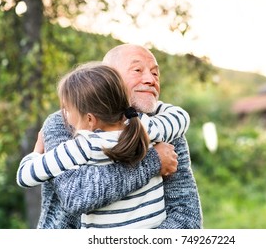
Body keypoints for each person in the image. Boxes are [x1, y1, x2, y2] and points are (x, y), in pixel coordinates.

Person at [37, 44, 203, 229]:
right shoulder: (65, 122)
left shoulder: (165, 129)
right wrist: (154, 160)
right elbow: (76, 194)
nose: (150, 79)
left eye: (155, 73)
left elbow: (187, 217)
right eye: (137, 70)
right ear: (108, 77)